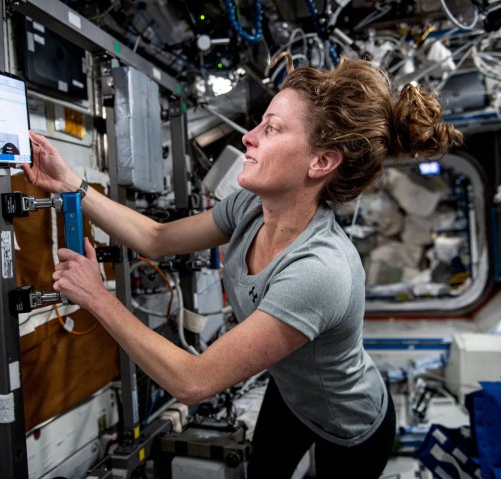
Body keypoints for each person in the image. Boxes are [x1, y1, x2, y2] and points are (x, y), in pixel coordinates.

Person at [23, 53, 463, 478]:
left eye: (270, 129)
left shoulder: (319, 271)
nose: (248, 137)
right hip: (290, 395)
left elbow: (191, 382)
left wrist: (97, 296)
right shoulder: (251, 207)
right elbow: (156, 239)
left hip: (351, 423)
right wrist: (71, 184)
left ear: (322, 162)